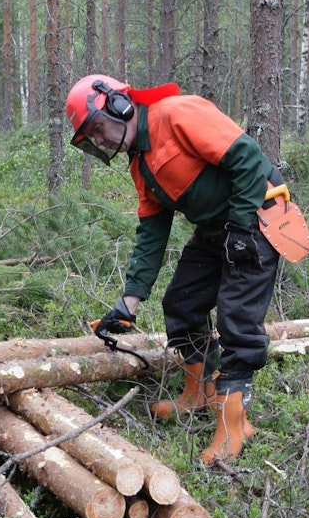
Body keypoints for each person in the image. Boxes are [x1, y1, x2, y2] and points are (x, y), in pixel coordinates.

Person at [66, 73, 286, 465]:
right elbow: (152, 231)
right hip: (218, 229)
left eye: (98, 129)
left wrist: (239, 228)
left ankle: (235, 425)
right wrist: (128, 303)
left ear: (118, 105)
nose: (99, 141)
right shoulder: (139, 165)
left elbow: (249, 157)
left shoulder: (178, 114)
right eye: (92, 138)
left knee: (237, 316)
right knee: (182, 302)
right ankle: (198, 391)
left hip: (259, 216)